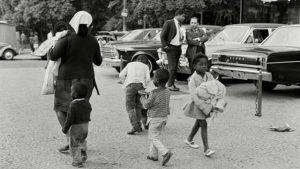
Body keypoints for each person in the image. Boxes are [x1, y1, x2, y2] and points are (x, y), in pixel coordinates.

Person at [49, 11, 102, 153]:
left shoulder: (66, 39)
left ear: (73, 22)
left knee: (61, 109)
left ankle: (70, 138)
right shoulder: (93, 40)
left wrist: (54, 44)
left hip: (66, 79)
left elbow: (53, 55)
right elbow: (98, 61)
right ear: (89, 24)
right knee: (80, 109)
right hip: (87, 80)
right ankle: (79, 140)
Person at [183, 53, 215, 157]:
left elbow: (214, 87)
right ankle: (206, 149)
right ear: (194, 66)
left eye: (206, 64)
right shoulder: (193, 79)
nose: (204, 66)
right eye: (201, 64)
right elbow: (194, 95)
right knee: (203, 124)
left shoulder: (209, 76)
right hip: (198, 104)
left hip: (206, 103)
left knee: (199, 122)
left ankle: (189, 139)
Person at [140, 68, 173, 166]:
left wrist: (142, 97)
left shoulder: (154, 93)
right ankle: (153, 155)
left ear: (157, 80)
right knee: (156, 136)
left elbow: (146, 105)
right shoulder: (167, 91)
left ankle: (165, 152)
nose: (153, 80)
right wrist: (149, 95)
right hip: (164, 117)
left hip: (155, 118)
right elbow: (159, 99)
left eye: (153, 78)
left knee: (152, 137)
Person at [119, 55, 150, 135]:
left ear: (137, 60)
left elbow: (121, 75)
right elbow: (148, 79)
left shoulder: (130, 64)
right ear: (146, 62)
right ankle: (138, 124)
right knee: (138, 106)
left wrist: (125, 83)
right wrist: (145, 86)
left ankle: (135, 126)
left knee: (130, 107)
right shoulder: (146, 66)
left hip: (130, 85)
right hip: (141, 86)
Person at [62, 83, 91, 168]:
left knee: (74, 144)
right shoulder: (87, 103)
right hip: (85, 126)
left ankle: (77, 162)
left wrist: (65, 128)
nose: (70, 93)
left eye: (71, 91)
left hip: (76, 128)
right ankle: (83, 153)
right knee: (82, 140)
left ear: (75, 94)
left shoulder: (73, 105)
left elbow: (69, 119)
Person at [160, 10, 185, 91]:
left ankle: (172, 84)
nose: (184, 18)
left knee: (175, 68)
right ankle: (169, 85)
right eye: (183, 16)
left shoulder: (180, 24)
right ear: (178, 15)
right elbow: (162, 35)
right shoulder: (169, 22)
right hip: (171, 48)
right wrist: (165, 46)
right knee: (172, 67)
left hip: (178, 48)